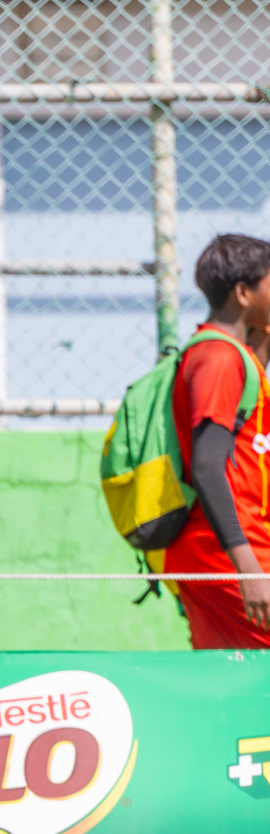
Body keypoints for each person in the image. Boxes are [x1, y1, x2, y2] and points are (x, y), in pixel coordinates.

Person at [164, 234, 270, 648]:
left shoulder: (234, 357)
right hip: (230, 554)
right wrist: (248, 570)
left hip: (224, 550)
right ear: (243, 293)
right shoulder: (218, 357)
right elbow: (208, 465)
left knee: (237, 681)